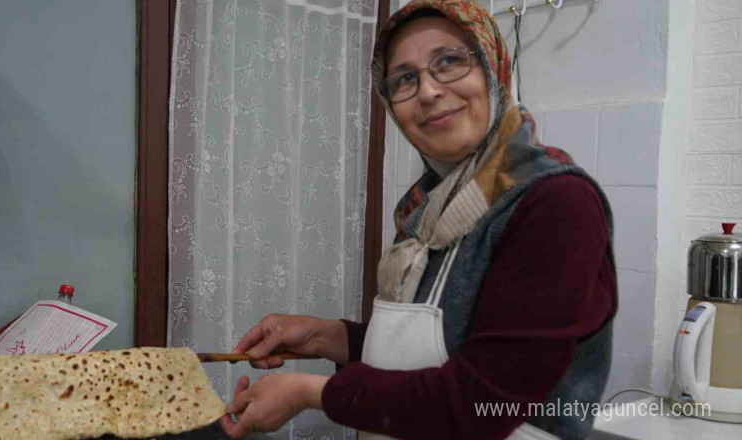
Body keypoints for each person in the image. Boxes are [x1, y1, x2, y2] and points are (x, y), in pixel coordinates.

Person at [219, 1, 616, 439]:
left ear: (493, 68)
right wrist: (323, 336)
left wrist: (310, 393)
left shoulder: (556, 205)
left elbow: (484, 401)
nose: (428, 91)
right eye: (405, 78)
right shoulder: (425, 208)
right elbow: (441, 349)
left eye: (449, 61)